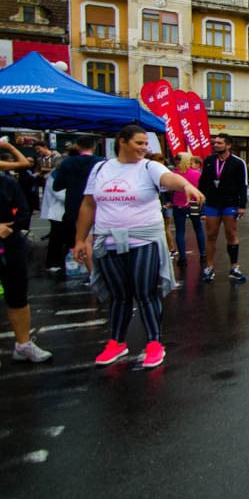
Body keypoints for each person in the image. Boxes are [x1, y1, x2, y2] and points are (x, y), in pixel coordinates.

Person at [73, 125, 204, 368]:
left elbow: (168, 178)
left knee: (145, 293)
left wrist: (184, 185)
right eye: (139, 143)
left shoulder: (148, 167)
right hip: (109, 240)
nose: (144, 148)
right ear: (122, 142)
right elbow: (88, 205)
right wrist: (80, 239)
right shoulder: (101, 168)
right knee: (119, 295)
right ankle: (117, 342)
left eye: (146, 144)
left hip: (143, 240)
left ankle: (154, 343)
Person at [0, 142, 52, 366]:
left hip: (10, 245)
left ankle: (23, 344)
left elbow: (23, 213)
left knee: (18, 295)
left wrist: (9, 228)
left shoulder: (7, 183)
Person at [198, 133, 248, 283]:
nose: (215, 145)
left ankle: (234, 267)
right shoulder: (208, 161)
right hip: (212, 203)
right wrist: (202, 199)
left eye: (219, 143)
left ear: (228, 145)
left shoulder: (238, 163)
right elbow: (203, 183)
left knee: (231, 234)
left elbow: (243, 185)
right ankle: (210, 267)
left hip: (230, 203)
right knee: (211, 234)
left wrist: (242, 205)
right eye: (215, 143)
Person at [53, 135, 103, 282]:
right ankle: (104, 272)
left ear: (78, 147)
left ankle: (93, 274)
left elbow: (57, 185)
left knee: (85, 240)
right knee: (102, 239)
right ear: (93, 147)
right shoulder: (101, 163)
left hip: (76, 205)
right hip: (99, 204)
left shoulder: (68, 163)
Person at [171, 154, 206, 266]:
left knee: (180, 231)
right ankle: (203, 254)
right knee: (198, 229)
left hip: (179, 204)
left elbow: (169, 190)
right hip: (194, 203)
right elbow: (202, 189)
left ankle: (182, 257)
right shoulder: (197, 174)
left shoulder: (173, 174)